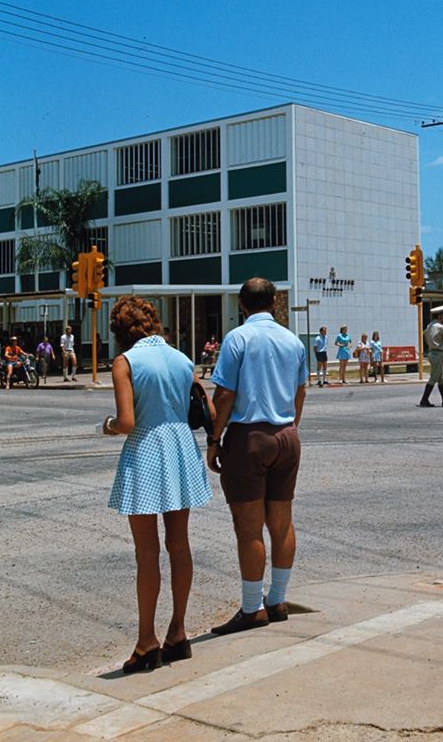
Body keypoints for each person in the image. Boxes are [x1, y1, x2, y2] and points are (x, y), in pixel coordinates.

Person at [103, 296, 212, 673]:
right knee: (179, 544)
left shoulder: (125, 362)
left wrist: (108, 426)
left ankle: (146, 641)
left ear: (119, 331)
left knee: (146, 554)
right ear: (152, 323)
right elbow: (205, 409)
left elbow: (127, 421)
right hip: (180, 449)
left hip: (147, 451)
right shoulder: (182, 359)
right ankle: (178, 632)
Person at [208, 278, 308, 635]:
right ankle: (277, 599)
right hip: (286, 436)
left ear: (242, 305)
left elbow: (224, 396)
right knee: (281, 522)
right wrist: (290, 427)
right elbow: (300, 391)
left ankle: (252, 608)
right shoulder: (293, 341)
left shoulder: (238, 338)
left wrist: (214, 439)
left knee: (248, 526)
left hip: (249, 436)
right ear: (275, 303)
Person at [419, 306, 443, 408]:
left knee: (441, 378)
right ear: (440, 315)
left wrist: (432, 344)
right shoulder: (440, 327)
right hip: (438, 354)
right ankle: (424, 400)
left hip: (432, 352)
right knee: (434, 378)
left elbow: (425, 337)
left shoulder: (429, 325)